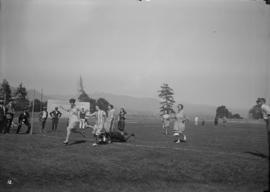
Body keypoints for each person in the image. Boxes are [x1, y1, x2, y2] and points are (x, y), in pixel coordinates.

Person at [256, 97, 270, 191]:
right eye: (257, 101)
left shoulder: (265, 107)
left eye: (259, 101)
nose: (258, 102)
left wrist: (268, 126)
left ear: (263, 102)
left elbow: (269, 115)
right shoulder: (262, 108)